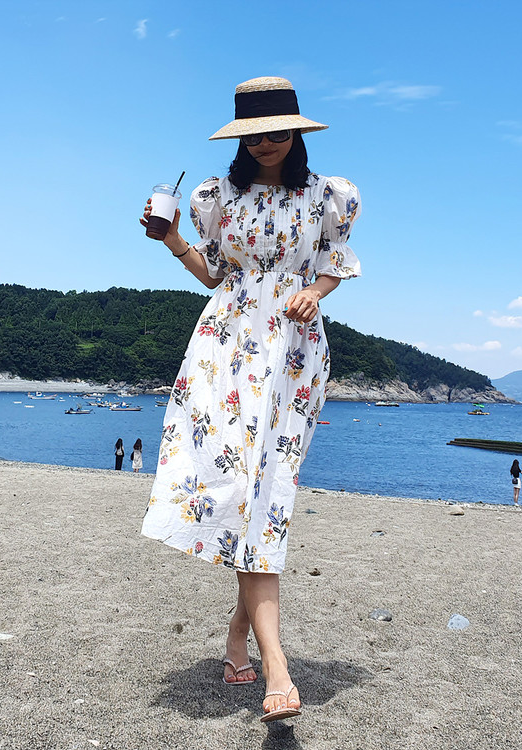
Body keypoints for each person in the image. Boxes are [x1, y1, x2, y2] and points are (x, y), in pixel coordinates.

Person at [140, 76, 361, 723]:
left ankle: (240, 634)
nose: (266, 143)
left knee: (266, 492)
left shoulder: (326, 196)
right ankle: (277, 669)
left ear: (295, 132)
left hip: (293, 351)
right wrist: (171, 238)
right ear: (240, 138)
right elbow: (213, 273)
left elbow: (335, 263)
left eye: (277, 132)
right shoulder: (217, 197)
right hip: (225, 346)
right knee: (248, 493)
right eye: (255, 135)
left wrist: (313, 292)